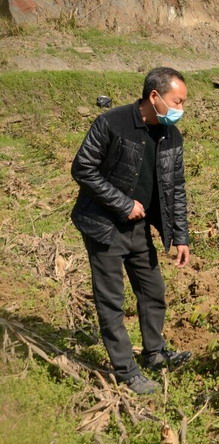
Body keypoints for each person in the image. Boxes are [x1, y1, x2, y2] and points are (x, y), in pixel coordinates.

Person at [71, 67, 192, 394]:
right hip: (104, 226)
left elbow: (175, 187)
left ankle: (154, 353)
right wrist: (122, 203)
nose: (180, 109)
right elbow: (82, 168)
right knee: (111, 301)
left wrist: (180, 235)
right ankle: (126, 370)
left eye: (183, 103)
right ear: (154, 97)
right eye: (176, 101)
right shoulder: (112, 123)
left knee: (152, 290)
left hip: (140, 226)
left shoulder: (171, 136)